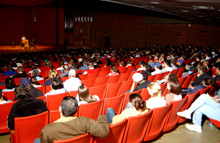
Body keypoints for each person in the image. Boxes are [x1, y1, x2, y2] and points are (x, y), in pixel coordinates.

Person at [39, 96, 109, 143]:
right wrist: (102, 117)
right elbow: (104, 132)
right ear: (76, 110)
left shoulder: (47, 130)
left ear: (60, 109)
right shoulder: (84, 122)